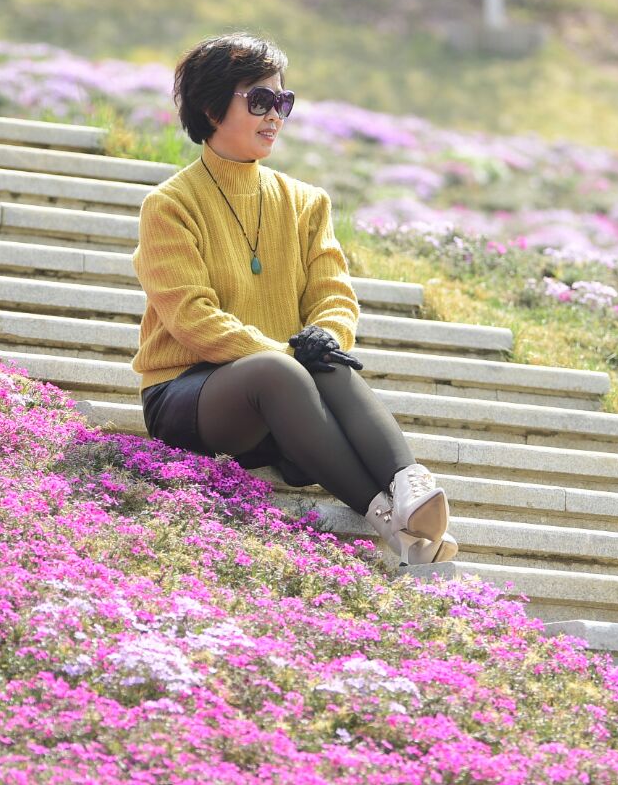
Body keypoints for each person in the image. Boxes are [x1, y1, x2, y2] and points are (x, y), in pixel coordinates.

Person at [133, 33, 457, 566]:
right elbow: (192, 319)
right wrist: (287, 355)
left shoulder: (306, 202)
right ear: (213, 108)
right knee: (283, 368)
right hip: (191, 395)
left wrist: (322, 339)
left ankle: (411, 488)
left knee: (320, 353)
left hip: (287, 407)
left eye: (282, 102)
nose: (274, 116)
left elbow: (334, 296)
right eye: (259, 101)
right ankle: (388, 521)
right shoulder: (169, 205)